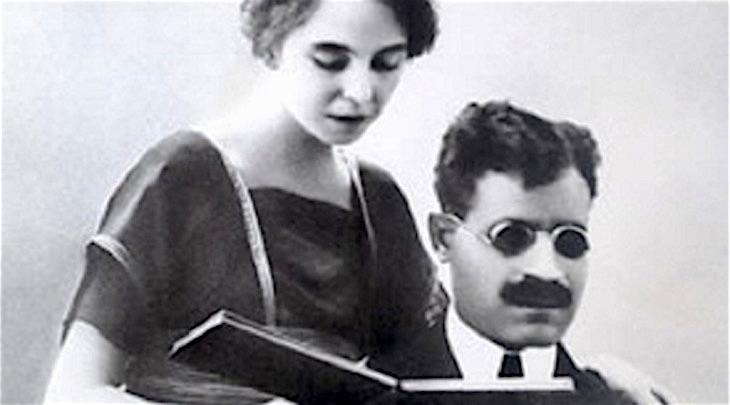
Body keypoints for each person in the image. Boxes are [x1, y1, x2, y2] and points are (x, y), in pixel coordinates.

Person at [44, 0, 445, 403]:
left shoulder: (380, 203)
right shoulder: (181, 176)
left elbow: (434, 394)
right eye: (330, 61)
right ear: (271, 43)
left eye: (386, 64)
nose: (362, 93)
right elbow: (71, 394)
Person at [426, 101, 671, 403]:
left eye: (570, 241)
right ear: (444, 238)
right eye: (512, 237)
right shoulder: (379, 390)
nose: (548, 270)